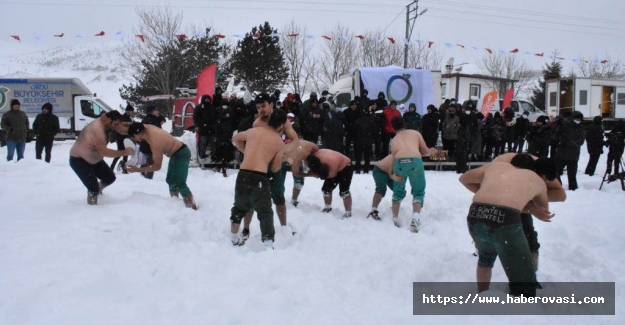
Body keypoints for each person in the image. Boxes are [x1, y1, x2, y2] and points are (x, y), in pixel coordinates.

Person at [459, 161, 553, 297]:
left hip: (476, 213)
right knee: (523, 279)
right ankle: (520, 307)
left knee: (485, 258)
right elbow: (543, 210)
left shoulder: (498, 166)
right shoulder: (537, 179)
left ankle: (482, 294)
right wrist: (529, 204)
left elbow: (464, 178)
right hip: (505, 219)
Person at [238, 94, 300, 242]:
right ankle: (246, 229)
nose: (261, 110)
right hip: (258, 166)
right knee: (252, 198)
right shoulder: (257, 124)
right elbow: (245, 143)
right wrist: (248, 154)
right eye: (258, 108)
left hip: (276, 166)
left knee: (279, 196)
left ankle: (284, 226)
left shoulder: (282, 120)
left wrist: (285, 152)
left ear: (271, 105)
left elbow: (295, 139)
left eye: (263, 106)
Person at [490, 152, 565, 271]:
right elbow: (499, 199)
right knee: (491, 231)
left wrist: (532, 196)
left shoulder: (544, 167)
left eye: (546, 183)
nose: (543, 185)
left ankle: (531, 275)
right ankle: (482, 246)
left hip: (518, 195)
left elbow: (561, 195)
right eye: (541, 182)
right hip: (493, 195)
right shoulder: (506, 170)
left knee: (529, 238)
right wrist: (531, 208)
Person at [229, 109, 287, 248]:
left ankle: (234, 238)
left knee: (239, 207)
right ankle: (267, 243)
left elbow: (236, 138)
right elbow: (274, 168)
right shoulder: (279, 143)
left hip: (243, 174)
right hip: (260, 178)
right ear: (280, 126)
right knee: (265, 211)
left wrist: (247, 151)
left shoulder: (253, 131)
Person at [125, 122, 198, 210]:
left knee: (180, 182)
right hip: (176, 153)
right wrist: (124, 124)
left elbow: (156, 166)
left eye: (134, 137)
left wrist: (137, 169)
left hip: (181, 153)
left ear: (137, 134)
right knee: (170, 180)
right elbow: (133, 124)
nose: (135, 140)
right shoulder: (147, 127)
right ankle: (175, 204)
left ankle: (192, 208)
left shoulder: (155, 141)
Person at [69, 111, 133, 205]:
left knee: (109, 178)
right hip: (79, 160)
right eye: (115, 124)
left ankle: (98, 192)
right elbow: (105, 152)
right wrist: (125, 152)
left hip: (95, 160)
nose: (116, 127)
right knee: (92, 188)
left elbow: (123, 127)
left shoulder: (107, 123)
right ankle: (92, 206)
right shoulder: (97, 129)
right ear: (108, 119)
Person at [388, 116, 437, 232]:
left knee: (398, 192)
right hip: (415, 162)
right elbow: (426, 151)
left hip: (400, 163)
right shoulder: (415, 133)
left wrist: (392, 173)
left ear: (393, 128)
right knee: (418, 192)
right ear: (404, 124)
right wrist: (432, 151)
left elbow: (393, 158)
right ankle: (415, 219)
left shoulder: (394, 140)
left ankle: (395, 217)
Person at [305, 149, 353, 218]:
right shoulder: (314, 158)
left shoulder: (331, 163)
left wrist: (318, 175)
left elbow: (332, 175)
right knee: (326, 190)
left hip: (346, 166)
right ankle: (328, 207)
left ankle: (348, 213)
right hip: (333, 164)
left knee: (344, 192)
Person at [282, 140, 319, 207]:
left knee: (299, 182)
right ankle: (278, 198)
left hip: (295, 150)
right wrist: (311, 175)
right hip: (283, 158)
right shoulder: (296, 159)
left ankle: (294, 200)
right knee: (279, 182)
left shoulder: (313, 147)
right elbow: (296, 173)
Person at [555, 111, 585, 190]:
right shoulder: (565, 126)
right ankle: (558, 185)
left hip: (573, 155)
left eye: (579, 119)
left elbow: (580, 141)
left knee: (572, 173)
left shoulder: (581, 129)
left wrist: (570, 143)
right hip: (562, 153)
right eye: (576, 119)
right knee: (556, 171)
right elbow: (556, 136)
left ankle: (573, 187)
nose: (578, 121)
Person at [366, 154, 402, 221]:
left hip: (391, 173)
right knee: (381, 189)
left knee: (399, 190)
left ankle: (395, 206)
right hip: (380, 170)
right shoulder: (397, 155)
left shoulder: (407, 157)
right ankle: (373, 210)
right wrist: (392, 176)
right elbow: (390, 167)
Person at [110, 104, 134, 172]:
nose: (132, 113)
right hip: (121, 138)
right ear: (128, 111)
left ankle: (123, 168)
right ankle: (112, 167)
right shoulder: (124, 118)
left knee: (125, 153)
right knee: (120, 153)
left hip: (124, 138)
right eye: (131, 111)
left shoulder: (126, 118)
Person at [193, 95, 213, 160]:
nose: (207, 101)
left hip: (211, 128)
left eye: (208, 99)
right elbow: (195, 117)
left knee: (211, 142)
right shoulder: (198, 107)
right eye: (206, 99)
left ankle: (211, 155)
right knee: (203, 142)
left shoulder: (211, 107)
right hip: (202, 128)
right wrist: (198, 125)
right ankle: (202, 154)